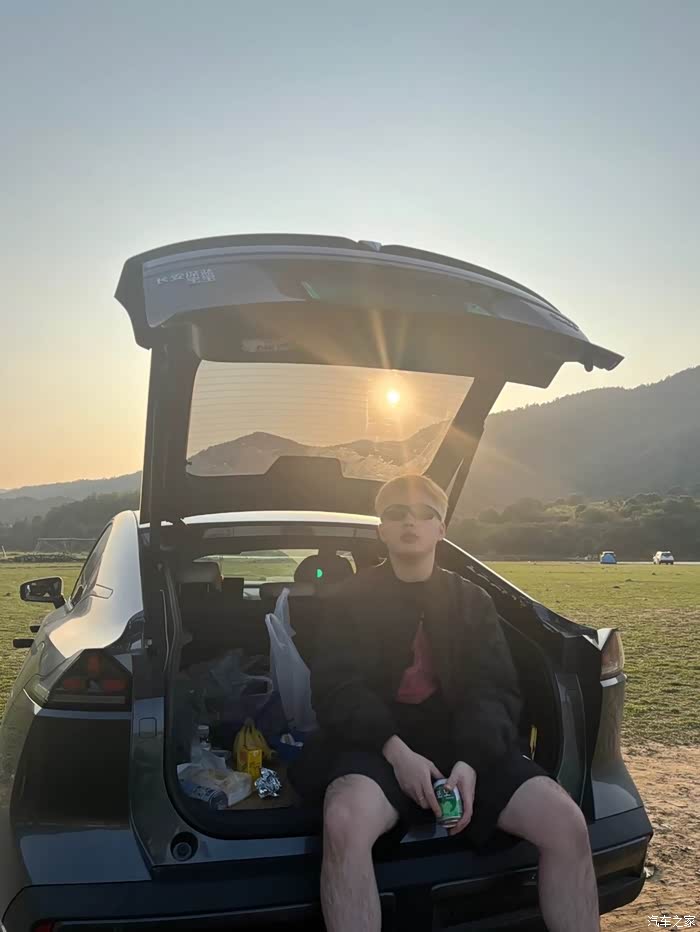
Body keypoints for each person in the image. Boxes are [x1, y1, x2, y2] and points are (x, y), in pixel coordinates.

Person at [291, 474, 599, 932]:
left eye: (424, 513)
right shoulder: (349, 599)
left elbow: (495, 690)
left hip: (464, 743)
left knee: (566, 821)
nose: (409, 522)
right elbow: (336, 689)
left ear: (441, 528)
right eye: (396, 513)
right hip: (376, 744)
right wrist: (397, 753)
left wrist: (471, 762)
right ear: (381, 528)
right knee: (344, 820)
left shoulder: (471, 600)